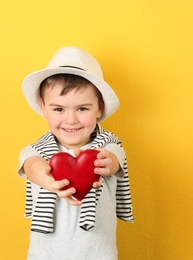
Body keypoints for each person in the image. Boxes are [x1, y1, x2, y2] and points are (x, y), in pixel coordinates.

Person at [18, 46, 134, 260]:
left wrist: (105, 163)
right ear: (43, 107)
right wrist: (50, 180)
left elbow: (114, 161)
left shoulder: (108, 147)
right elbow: (32, 167)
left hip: (98, 255)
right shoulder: (36, 151)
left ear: (99, 108)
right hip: (46, 255)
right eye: (59, 109)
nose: (71, 119)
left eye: (82, 109)